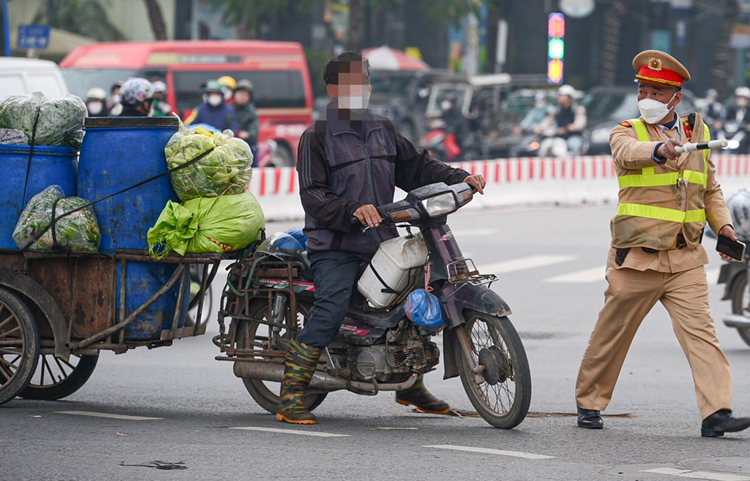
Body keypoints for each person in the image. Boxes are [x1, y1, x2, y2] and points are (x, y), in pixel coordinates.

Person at [279, 51, 487, 425]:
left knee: (416, 302)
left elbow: (419, 167)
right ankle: (291, 394)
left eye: (365, 81)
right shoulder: (317, 135)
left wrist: (460, 176)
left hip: (382, 241)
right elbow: (313, 194)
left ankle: (410, 386)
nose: (361, 89)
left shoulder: (382, 128)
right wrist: (351, 210)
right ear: (333, 89)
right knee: (330, 310)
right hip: (336, 245)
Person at [574, 50, 750, 438]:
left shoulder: (698, 133)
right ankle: (589, 401)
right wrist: (658, 151)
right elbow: (628, 154)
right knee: (612, 333)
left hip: (685, 258)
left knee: (702, 335)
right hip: (637, 258)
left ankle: (716, 412)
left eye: (656, 90)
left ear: (676, 97)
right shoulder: (626, 131)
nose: (646, 97)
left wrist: (723, 227)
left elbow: (710, 188)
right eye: (642, 89)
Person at [535, 84, 586, 156]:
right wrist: (541, 128)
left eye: (562, 96)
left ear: (569, 97)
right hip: (559, 136)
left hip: (573, 135)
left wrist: (573, 127)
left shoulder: (577, 109)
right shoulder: (557, 109)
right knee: (545, 146)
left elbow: (580, 121)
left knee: (574, 146)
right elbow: (548, 120)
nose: (559, 98)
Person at [233, 79, 259, 165]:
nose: (242, 97)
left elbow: (254, 131)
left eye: (245, 95)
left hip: (244, 146)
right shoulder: (228, 109)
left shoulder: (251, 112)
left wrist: (247, 134)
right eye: (240, 93)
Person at [723, 86, 750, 153]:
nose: (741, 100)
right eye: (739, 98)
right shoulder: (731, 109)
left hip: (744, 134)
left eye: (743, 98)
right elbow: (726, 120)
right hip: (731, 133)